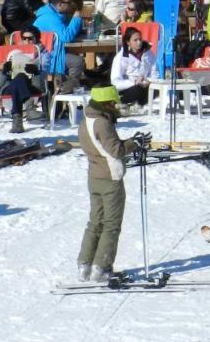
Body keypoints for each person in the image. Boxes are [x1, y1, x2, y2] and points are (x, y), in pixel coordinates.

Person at [77, 85, 149, 282]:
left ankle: (85, 264)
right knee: (111, 225)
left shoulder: (86, 121)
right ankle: (102, 267)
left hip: (94, 177)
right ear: (106, 104)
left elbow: (104, 146)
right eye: (113, 103)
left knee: (95, 222)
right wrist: (135, 143)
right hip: (110, 178)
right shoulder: (102, 123)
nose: (115, 106)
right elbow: (116, 150)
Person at [0, 37, 45, 133]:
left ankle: (17, 121)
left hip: (28, 92)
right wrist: (4, 72)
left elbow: (40, 89)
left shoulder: (30, 72)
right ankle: (30, 109)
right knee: (17, 80)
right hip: (11, 97)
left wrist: (35, 73)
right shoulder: (5, 71)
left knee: (21, 76)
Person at [110, 26, 156, 106]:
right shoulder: (121, 57)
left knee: (157, 88)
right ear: (128, 42)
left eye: (140, 39)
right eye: (135, 40)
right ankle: (121, 103)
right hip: (128, 89)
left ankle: (139, 104)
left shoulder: (148, 53)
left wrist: (148, 80)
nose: (139, 42)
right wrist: (134, 82)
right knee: (139, 90)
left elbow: (155, 72)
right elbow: (115, 82)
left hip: (146, 85)